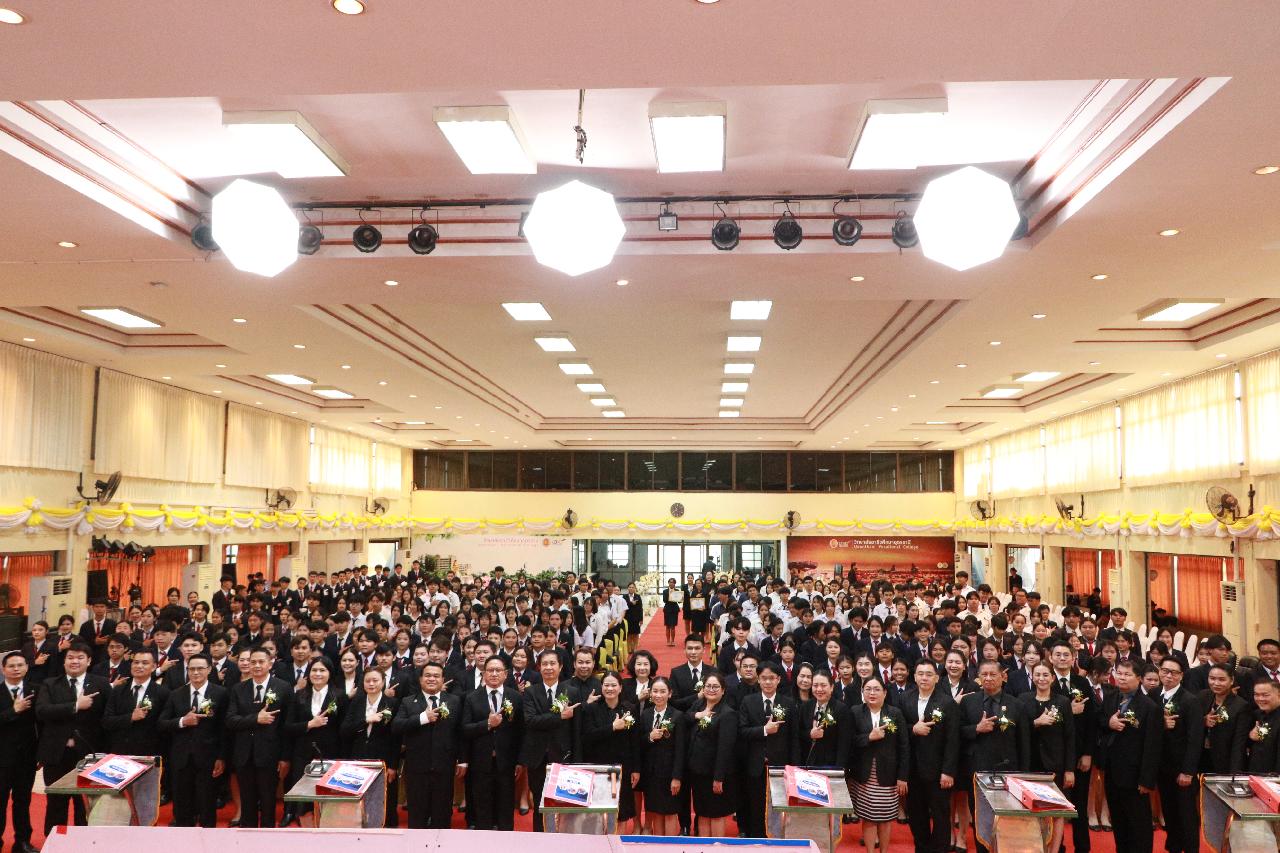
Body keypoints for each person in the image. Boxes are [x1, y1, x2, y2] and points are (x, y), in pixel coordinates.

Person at [36, 638, 109, 832]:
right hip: (56, 754)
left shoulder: (101, 684)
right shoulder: (50, 684)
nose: (74, 661)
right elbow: (42, 711)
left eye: (80, 657)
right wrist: (75, 706)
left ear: (89, 661)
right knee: (56, 803)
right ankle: (54, 841)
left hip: (88, 755)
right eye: (70, 657)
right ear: (64, 661)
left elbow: (106, 719)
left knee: (84, 804)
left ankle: (82, 842)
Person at [958, 660, 1029, 853]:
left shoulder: (1017, 705)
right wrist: (976, 729)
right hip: (977, 769)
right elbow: (957, 732)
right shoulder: (968, 702)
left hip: (1008, 770)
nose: (988, 678)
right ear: (979, 678)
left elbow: (1024, 743)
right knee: (981, 819)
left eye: (993, 674)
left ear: (1003, 677)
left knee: (1007, 821)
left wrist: (1023, 775)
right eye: (984, 674)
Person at [226, 646, 293, 828]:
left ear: (270, 663)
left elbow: (287, 726)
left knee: (268, 800)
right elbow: (230, 720)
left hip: (270, 753)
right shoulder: (238, 689)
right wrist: (256, 718)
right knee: (247, 800)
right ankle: (247, 835)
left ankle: (267, 836)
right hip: (244, 753)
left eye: (261, 662)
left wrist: (285, 757)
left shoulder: (283, 688)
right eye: (252, 662)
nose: (256, 665)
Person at [158, 653, 227, 827]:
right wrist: (183, 721)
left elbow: (224, 729)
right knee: (182, 805)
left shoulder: (220, 693)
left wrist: (221, 757)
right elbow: (162, 723)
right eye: (192, 669)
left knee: (207, 804)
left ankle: (208, 838)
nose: (196, 672)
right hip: (181, 758)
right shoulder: (176, 694)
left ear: (209, 670)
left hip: (208, 758)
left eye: (200, 668)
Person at [1098, 659, 1161, 853]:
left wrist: (1146, 780)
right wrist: (1109, 723)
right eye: (1119, 673)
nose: (1122, 678)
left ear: (1139, 678)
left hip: (1135, 776)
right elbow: (1099, 721)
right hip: (1112, 770)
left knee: (1139, 826)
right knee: (1119, 822)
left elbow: (1152, 747)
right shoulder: (1111, 697)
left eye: (1127, 674)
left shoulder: (1149, 707)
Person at [393, 661, 464, 829]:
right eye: (428, 675)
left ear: (443, 679)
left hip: (444, 767)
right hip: (417, 768)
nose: (432, 679)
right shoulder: (408, 701)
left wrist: (462, 760)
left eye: (436, 676)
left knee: (442, 816)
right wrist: (423, 718)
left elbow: (460, 733)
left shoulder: (454, 701)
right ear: (420, 679)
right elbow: (396, 726)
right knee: (417, 816)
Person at [519, 649, 582, 831]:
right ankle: (539, 837)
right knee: (539, 801)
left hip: (563, 755)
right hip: (537, 756)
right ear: (539, 667)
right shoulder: (531, 692)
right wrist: (559, 717)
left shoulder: (571, 691)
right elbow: (531, 721)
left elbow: (576, 730)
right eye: (544, 664)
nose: (548, 668)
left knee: (564, 802)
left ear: (560, 667)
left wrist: (577, 759)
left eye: (552, 663)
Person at [461, 654, 522, 831]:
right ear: (483, 674)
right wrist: (487, 724)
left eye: (498, 670)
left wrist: (520, 761)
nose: (494, 674)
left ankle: (506, 838)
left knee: (506, 804)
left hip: (507, 762)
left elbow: (521, 731)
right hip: (480, 761)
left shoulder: (515, 697)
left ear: (505, 674)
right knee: (482, 804)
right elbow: (465, 729)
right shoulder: (472, 698)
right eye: (490, 670)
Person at [283, 657, 346, 826]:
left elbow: (343, 728)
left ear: (330, 673)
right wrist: (309, 724)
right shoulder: (299, 695)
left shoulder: (339, 696)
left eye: (322, 670)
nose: (318, 674)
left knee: (327, 798)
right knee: (304, 801)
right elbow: (288, 726)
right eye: (314, 670)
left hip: (330, 754)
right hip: (303, 753)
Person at [737, 662, 798, 838]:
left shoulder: (788, 703)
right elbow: (742, 731)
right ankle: (755, 839)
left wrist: (793, 768)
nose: (768, 682)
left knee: (778, 805)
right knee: (754, 805)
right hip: (754, 764)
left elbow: (793, 738)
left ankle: (777, 839)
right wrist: (764, 730)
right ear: (758, 679)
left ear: (778, 679)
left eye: (772, 678)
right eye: (764, 678)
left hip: (779, 765)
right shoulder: (748, 701)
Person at [903, 659, 958, 853]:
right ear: (914, 677)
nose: (924, 678)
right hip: (912, 770)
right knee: (916, 815)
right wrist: (913, 729)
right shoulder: (905, 699)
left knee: (941, 816)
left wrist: (948, 771)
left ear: (936, 678)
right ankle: (922, 848)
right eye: (920, 674)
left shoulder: (947, 702)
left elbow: (953, 740)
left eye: (928, 674)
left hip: (938, 771)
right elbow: (899, 732)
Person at [1019, 662, 1074, 853]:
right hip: (1030, 764)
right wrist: (1036, 722)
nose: (1041, 679)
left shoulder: (1063, 702)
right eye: (1037, 675)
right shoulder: (1023, 700)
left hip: (1055, 764)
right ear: (1032, 677)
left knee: (1057, 810)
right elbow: (1019, 732)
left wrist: (1069, 769)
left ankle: (1055, 849)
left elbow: (1070, 737)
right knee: (1031, 809)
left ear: (1052, 678)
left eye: (1045, 675)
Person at [849, 677, 909, 853]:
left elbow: (904, 747)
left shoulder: (895, 713)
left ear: (885, 692)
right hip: (864, 774)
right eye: (868, 689)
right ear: (862, 692)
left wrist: (903, 776)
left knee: (885, 818)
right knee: (868, 817)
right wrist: (868, 737)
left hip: (888, 774)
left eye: (876, 689)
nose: (872, 693)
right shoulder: (855, 712)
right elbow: (849, 741)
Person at [341, 668, 400, 826]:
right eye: (368, 681)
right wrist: (367, 720)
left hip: (383, 759)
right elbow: (345, 730)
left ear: (383, 682)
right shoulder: (356, 702)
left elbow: (396, 738)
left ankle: (387, 829)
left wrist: (393, 765)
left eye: (375, 680)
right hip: (358, 757)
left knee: (385, 799)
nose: (371, 684)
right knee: (360, 798)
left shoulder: (392, 704)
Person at [1151, 655, 1198, 853]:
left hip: (1181, 768)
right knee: (1169, 811)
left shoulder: (1190, 700)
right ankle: (1174, 847)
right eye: (1165, 671)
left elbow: (1195, 739)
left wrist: (1188, 771)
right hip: (1161, 766)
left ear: (1181, 675)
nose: (1168, 676)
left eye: (1173, 672)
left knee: (1186, 814)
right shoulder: (1153, 694)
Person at [581, 671, 637, 829]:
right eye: (606, 685)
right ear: (601, 687)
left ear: (620, 688)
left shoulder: (629, 709)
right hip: (598, 766)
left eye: (613, 685)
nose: (610, 688)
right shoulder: (592, 709)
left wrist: (636, 769)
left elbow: (634, 742)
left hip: (623, 766)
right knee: (599, 810)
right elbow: (588, 736)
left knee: (622, 811)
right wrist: (612, 727)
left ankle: (618, 841)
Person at [684, 671, 737, 837]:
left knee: (715, 814)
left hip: (714, 773)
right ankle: (704, 845)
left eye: (716, 687)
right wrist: (697, 715)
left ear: (723, 690)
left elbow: (725, 749)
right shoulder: (698, 705)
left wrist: (718, 778)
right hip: (697, 771)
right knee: (702, 812)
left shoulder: (727, 713)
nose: (711, 690)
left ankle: (717, 846)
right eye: (708, 686)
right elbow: (685, 718)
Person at [634, 677, 686, 836]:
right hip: (651, 775)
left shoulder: (677, 716)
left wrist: (677, 777)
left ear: (669, 694)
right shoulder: (646, 714)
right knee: (655, 812)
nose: (658, 695)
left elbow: (680, 749)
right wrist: (649, 737)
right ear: (650, 693)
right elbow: (639, 742)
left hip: (669, 774)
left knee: (669, 813)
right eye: (655, 691)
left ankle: (671, 845)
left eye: (662, 691)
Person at [0, 651, 38, 853]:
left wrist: (41, 754)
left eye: (20, 665)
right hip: (1, 758)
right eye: (11, 666)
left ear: (27, 667)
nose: (16, 669)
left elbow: (43, 723)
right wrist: (13, 711)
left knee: (23, 801)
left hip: (27, 758)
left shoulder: (36, 690)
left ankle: (22, 842)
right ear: (3, 669)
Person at [101, 646, 169, 758]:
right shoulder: (118, 690)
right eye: (136, 662)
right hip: (120, 751)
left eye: (145, 663)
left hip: (149, 752)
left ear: (154, 667)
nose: (139, 666)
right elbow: (107, 721)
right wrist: (131, 717)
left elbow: (163, 726)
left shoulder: (163, 693)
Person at [1186, 663, 1249, 773]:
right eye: (1212, 678)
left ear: (1231, 680)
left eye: (1221, 679)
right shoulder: (1202, 696)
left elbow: (1239, 744)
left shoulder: (1241, 706)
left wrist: (1235, 772)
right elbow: (1190, 724)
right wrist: (1203, 721)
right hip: (1200, 758)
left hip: (1223, 760)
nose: (1216, 683)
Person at [1247, 679, 1280, 772]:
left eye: (1265, 695)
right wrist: (1251, 736)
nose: (1260, 699)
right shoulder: (1256, 714)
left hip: (1274, 776)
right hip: (1255, 772)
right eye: (1256, 695)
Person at [662, 579, 682, 647]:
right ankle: (668, 641)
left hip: (674, 610)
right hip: (667, 609)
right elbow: (664, 600)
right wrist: (671, 596)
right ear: (668, 583)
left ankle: (673, 641)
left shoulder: (677, 591)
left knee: (673, 626)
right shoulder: (665, 591)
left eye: (673, 582)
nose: (671, 583)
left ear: (675, 584)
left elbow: (679, 601)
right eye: (670, 582)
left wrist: (680, 598)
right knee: (667, 626)